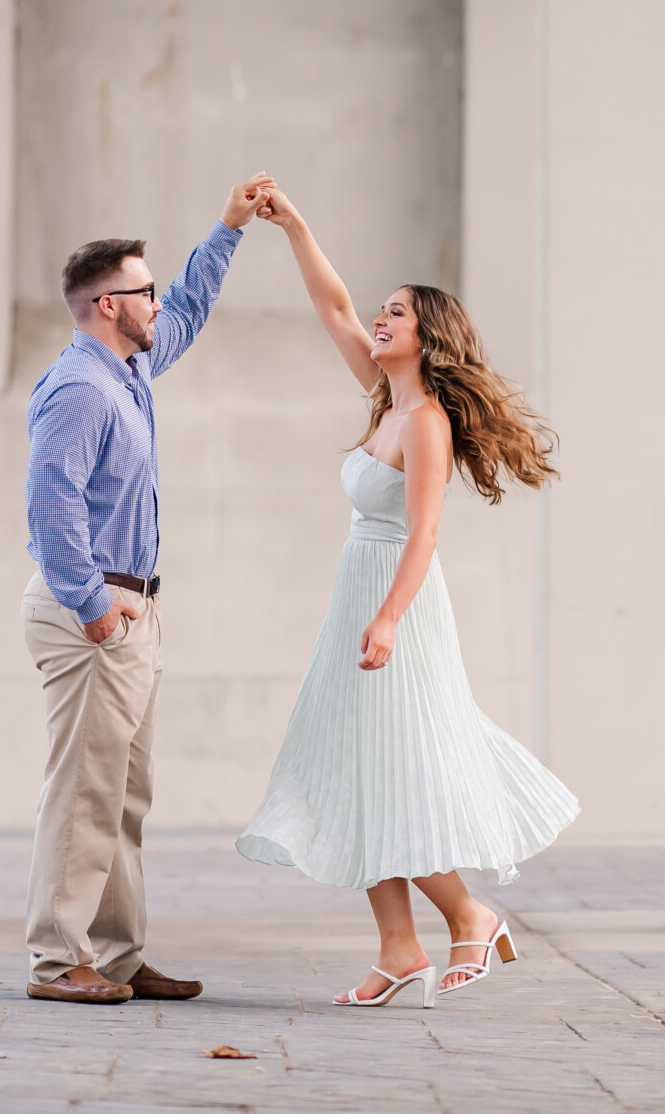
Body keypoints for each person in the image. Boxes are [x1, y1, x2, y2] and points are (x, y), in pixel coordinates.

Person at [236, 189, 579, 1007]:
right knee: (358, 770)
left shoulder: (424, 421)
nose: (380, 321)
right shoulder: (385, 399)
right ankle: (398, 947)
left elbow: (424, 532)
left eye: (398, 314)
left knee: (395, 768)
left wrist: (388, 616)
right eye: (383, 312)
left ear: (430, 336)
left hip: (400, 603)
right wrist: (294, 228)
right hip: (357, 596)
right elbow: (334, 306)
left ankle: (469, 913)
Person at [22, 174, 272, 1004]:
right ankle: (59, 963)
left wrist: (228, 228)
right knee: (85, 792)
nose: (158, 302)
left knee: (124, 795)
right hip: (92, 611)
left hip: (132, 608)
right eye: (144, 291)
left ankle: (117, 955)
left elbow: (191, 309)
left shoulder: (127, 370)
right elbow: (49, 499)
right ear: (104, 305)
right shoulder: (83, 388)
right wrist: (92, 602)